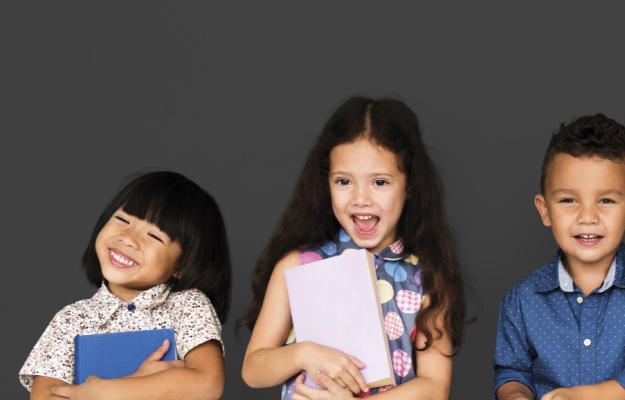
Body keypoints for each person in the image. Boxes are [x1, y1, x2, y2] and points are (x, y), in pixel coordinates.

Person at [240, 97, 466, 399]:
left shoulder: (427, 279)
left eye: (380, 182)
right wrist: (303, 354)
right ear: (326, 183)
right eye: (344, 181)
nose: (360, 198)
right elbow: (253, 370)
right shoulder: (298, 265)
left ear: (409, 185)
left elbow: (435, 387)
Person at [493, 114, 625, 400]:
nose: (587, 217)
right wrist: (515, 395)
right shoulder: (522, 297)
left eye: (606, 200)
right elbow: (512, 372)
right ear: (544, 210)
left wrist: (580, 397)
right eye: (568, 200)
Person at [20, 171, 232, 400]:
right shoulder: (70, 320)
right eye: (123, 220)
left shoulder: (186, 305)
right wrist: (132, 382)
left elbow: (207, 384)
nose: (128, 238)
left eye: (155, 236)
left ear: (182, 266)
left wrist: (107, 392)